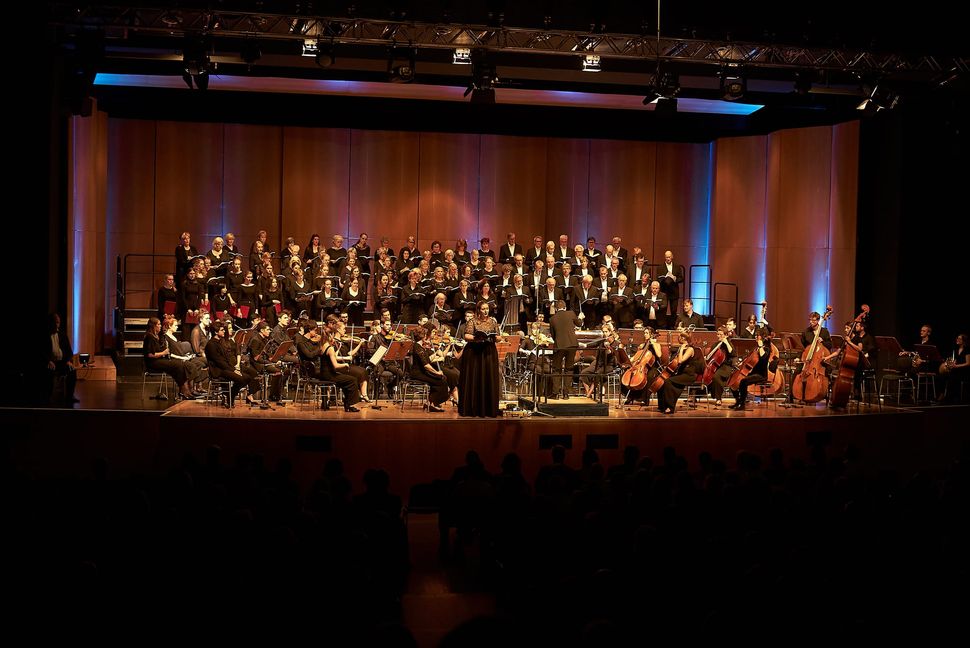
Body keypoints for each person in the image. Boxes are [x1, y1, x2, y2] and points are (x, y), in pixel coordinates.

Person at [459, 300, 503, 417]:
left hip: (488, 352)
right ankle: (472, 408)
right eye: (483, 309)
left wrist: (495, 338)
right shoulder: (472, 321)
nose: (485, 311)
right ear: (478, 310)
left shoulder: (493, 322)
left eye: (487, 309)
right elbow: (466, 336)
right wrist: (476, 337)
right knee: (474, 378)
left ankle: (488, 408)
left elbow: (499, 337)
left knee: (488, 378)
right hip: (474, 352)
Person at [143, 316, 195, 401]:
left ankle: (184, 391)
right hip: (153, 362)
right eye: (158, 324)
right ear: (153, 326)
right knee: (178, 365)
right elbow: (150, 355)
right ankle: (184, 391)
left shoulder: (157, 336)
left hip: (160, 360)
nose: (160, 326)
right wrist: (163, 353)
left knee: (179, 365)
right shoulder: (149, 337)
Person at [320, 315, 362, 412]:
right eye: (332, 335)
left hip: (324, 374)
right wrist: (345, 364)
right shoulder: (330, 348)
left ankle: (347, 405)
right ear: (330, 336)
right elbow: (336, 365)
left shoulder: (323, 346)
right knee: (352, 380)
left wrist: (338, 350)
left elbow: (332, 357)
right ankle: (349, 405)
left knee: (347, 381)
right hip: (330, 375)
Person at [657, 331, 703, 414]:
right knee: (663, 381)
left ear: (684, 338)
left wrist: (681, 349)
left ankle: (670, 407)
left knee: (668, 381)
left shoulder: (690, 349)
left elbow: (681, 360)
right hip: (681, 373)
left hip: (689, 375)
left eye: (680, 337)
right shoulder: (682, 348)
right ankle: (662, 406)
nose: (679, 339)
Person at [730, 327, 773, 410]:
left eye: (758, 335)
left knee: (743, 381)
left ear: (763, 337)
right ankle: (738, 401)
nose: (756, 337)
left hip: (761, 375)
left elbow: (763, 357)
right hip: (753, 372)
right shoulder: (757, 347)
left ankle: (742, 404)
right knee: (733, 379)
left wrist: (760, 345)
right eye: (756, 335)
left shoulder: (766, 347)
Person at [410, 327, 449, 411]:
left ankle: (430, 403)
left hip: (421, 372)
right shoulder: (418, 347)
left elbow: (428, 360)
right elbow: (426, 365)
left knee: (442, 378)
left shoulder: (420, 346)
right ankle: (433, 404)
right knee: (440, 380)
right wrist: (437, 372)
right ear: (423, 336)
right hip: (418, 373)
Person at [549, 299, 582, 399]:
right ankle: (566, 393)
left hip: (559, 345)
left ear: (556, 308)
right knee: (569, 368)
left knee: (556, 369)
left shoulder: (552, 319)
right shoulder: (571, 313)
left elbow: (553, 335)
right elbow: (579, 324)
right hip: (572, 344)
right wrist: (580, 318)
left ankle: (555, 393)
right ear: (565, 307)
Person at [46, 313, 78, 406]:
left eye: (58, 322)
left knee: (72, 370)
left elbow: (69, 351)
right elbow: (40, 351)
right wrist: (48, 360)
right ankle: (48, 397)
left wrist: (68, 361)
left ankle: (70, 396)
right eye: (55, 322)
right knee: (48, 371)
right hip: (50, 363)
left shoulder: (62, 334)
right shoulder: (45, 335)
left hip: (61, 362)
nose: (57, 325)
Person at [708, 325, 736, 406]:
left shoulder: (729, 343)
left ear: (726, 335)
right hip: (716, 366)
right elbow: (711, 356)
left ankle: (718, 398)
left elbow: (732, 353)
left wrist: (726, 342)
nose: (719, 336)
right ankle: (695, 396)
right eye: (718, 334)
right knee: (707, 376)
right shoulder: (716, 344)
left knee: (716, 376)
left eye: (721, 334)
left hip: (726, 367)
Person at [657, 250, 685, 329]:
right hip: (664, 292)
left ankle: (672, 326)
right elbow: (657, 278)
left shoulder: (677, 266)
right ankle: (663, 326)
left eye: (669, 257)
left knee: (674, 310)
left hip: (674, 292)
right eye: (666, 257)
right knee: (663, 310)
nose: (668, 258)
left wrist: (675, 278)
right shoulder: (660, 267)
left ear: (672, 257)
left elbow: (681, 278)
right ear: (664, 258)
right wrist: (664, 278)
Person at [939, 333, 969, 403]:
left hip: (964, 371)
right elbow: (954, 361)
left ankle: (951, 397)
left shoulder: (967, 350)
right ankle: (942, 394)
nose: (957, 340)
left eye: (959, 339)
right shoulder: (955, 350)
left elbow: (968, 363)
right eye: (957, 338)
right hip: (956, 370)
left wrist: (956, 366)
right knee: (942, 376)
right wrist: (948, 364)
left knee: (952, 378)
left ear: (963, 341)